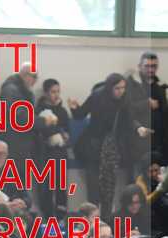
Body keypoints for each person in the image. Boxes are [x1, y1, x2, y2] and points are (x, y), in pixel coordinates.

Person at [69, 73, 152, 218]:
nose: (121, 91)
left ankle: (106, 222)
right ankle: (92, 222)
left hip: (110, 149)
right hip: (92, 147)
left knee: (108, 190)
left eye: (123, 88)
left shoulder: (124, 100)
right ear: (109, 88)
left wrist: (139, 128)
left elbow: (130, 119)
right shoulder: (97, 96)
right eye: (117, 88)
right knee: (93, 189)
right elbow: (80, 114)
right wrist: (74, 108)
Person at [35, 79, 71, 218]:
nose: (56, 95)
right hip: (44, 155)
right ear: (45, 93)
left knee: (61, 187)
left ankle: (61, 216)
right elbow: (37, 132)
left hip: (60, 154)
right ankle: (48, 216)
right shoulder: (38, 111)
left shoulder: (62, 111)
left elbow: (67, 132)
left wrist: (65, 136)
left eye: (58, 91)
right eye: (53, 92)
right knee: (46, 189)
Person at [126, 52, 168, 167]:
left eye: (153, 66)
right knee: (138, 175)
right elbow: (125, 110)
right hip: (137, 140)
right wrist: (146, 104)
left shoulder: (160, 85)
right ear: (140, 66)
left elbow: (164, 111)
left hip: (158, 141)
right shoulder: (130, 84)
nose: (150, 70)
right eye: (147, 66)